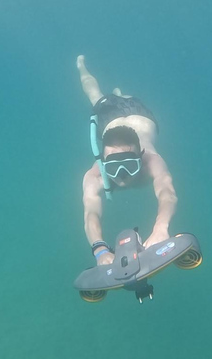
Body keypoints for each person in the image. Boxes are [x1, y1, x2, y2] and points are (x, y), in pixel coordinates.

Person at [76, 55, 178, 266]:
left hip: (139, 113)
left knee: (118, 96)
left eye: (129, 165)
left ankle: (120, 94)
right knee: (94, 95)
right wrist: (100, 249)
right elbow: (91, 211)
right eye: (113, 166)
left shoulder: (152, 162)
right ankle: (81, 66)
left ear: (140, 156)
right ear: (103, 161)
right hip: (110, 117)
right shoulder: (95, 174)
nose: (122, 174)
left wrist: (161, 228)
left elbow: (167, 192)